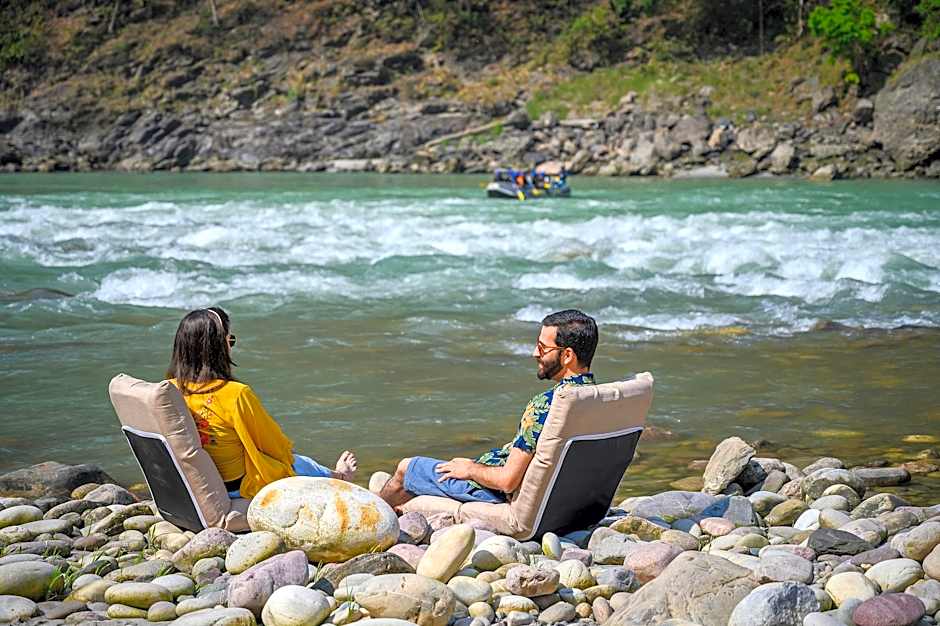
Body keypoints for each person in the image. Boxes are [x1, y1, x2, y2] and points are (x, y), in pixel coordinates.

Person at [379, 309, 598, 508]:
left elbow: (507, 481)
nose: (534, 353)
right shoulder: (597, 398)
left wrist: (470, 470)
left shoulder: (546, 405)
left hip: (493, 493)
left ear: (567, 355)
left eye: (542, 347)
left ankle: (368, 521)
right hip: (563, 504)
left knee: (407, 468)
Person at [166, 307, 357, 499]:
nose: (230, 347)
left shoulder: (169, 390)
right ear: (217, 348)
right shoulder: (236, 394)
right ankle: (339, 478)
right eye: (229, 340)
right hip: (236, 486)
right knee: (295, 462)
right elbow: (274, 446)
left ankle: (335, 476)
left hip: (195, 481)